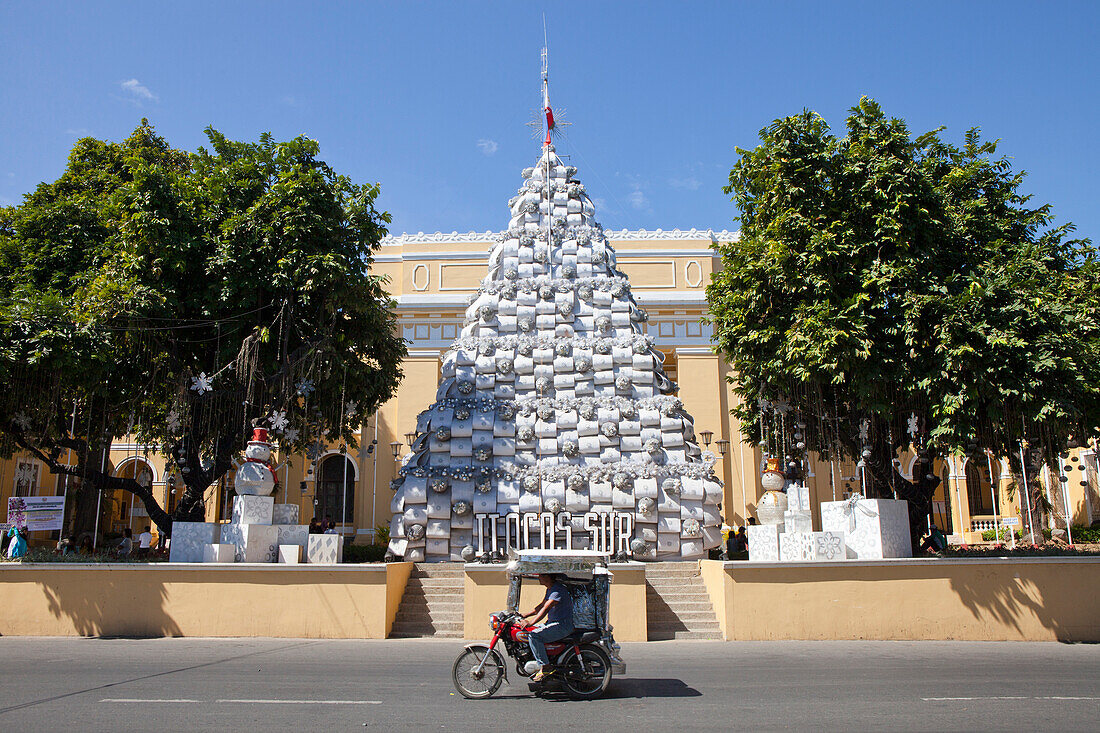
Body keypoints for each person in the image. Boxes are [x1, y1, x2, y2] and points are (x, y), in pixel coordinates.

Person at [521, 573, 574, 683]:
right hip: (553, 623)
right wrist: (525, 615)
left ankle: (545, 667)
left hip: (562, 625)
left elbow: (546, 608)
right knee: (531, 632)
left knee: (534, 636)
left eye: (541, 575)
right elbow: (541, 606)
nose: (539, 577)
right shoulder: (551, 589)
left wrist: (530, 623)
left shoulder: (557, 590)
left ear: (548, 577)